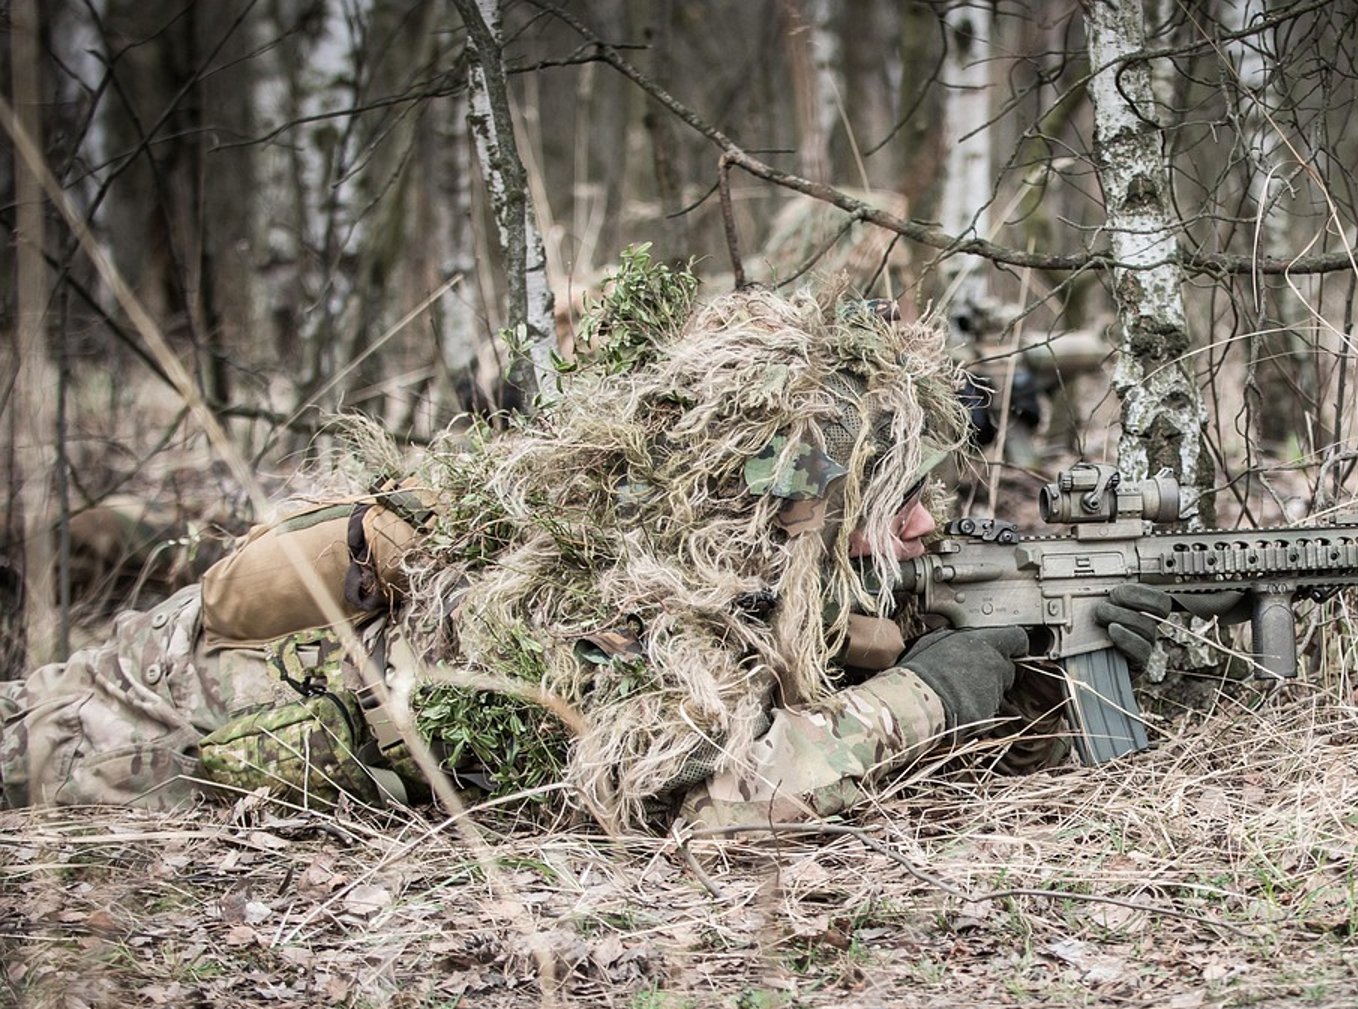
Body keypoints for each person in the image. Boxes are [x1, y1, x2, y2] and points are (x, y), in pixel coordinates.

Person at [0, 284, 1212, 832]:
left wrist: (1050, 666)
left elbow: (829, 669)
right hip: (134, 729)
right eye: (892, 500)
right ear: (799, 502)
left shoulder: (762, 559)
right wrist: (941, 687)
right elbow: (725, 804)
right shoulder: (647, 596)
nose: (923, 529)